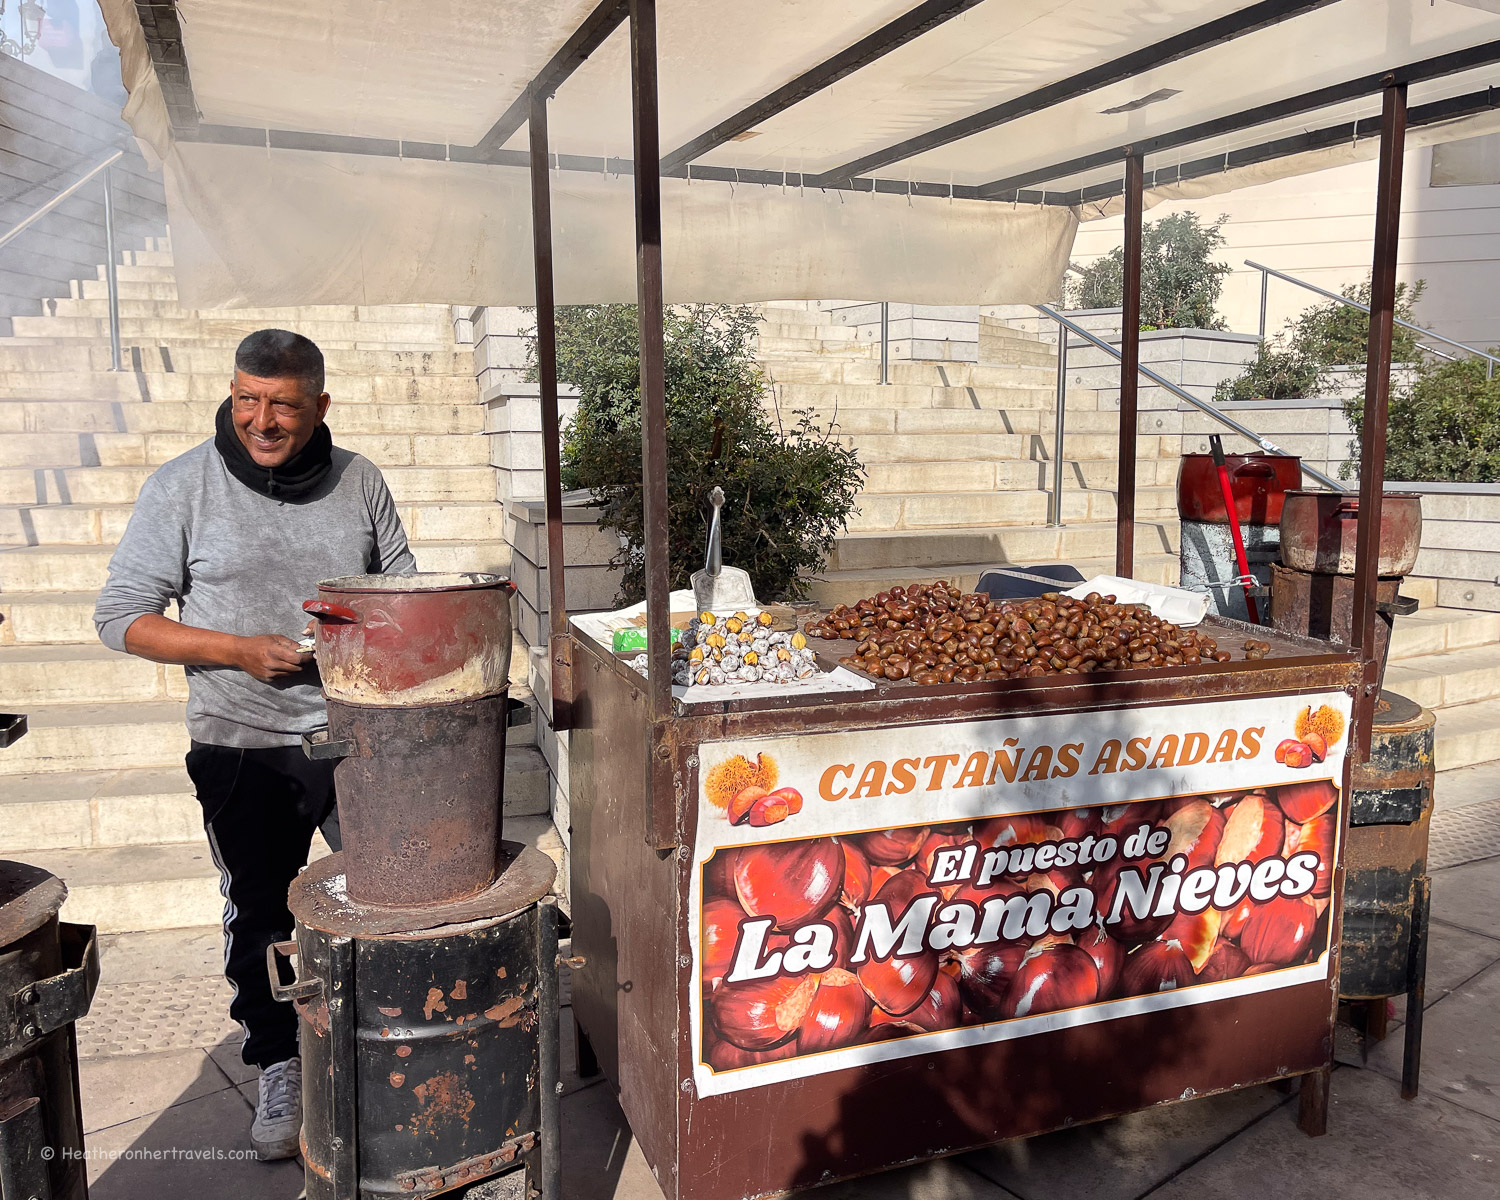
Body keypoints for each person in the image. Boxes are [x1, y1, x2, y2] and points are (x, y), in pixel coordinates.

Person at [94, 329, 416, 1160]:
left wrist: (378, 635)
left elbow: (403, 592)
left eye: (281, 404)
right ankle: (277, 1061)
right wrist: (236, 649)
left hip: (356, 740)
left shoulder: (361, 482)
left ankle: (390, 1047)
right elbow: (121, 619)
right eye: (246, 399)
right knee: (262, 914)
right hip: (242, 745)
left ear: (320, 406)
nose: (261, 420)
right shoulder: (182, 488)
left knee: (394, 897)